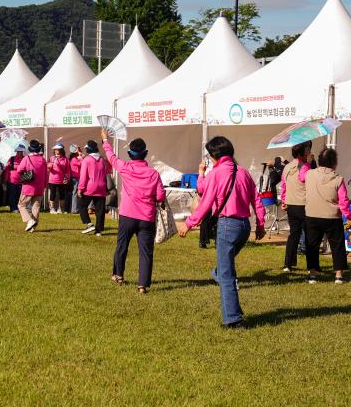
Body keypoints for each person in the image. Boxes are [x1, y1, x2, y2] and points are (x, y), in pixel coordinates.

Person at [180, 136, 266, 327]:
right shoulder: (243, 172)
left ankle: (233, 319)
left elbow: (205, 200)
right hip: (244, 227)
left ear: (213, 156)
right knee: (224, 268)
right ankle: (229, 299)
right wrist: (260, 224)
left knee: (226, 275)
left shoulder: (216, 173)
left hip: (227, 225)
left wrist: (189, 223)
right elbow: (257, 200)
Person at [102, 133, 165, 294]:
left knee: (122, 245)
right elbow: (160, 196)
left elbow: (111, 156)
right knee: (146, 252)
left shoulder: (125, 167)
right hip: (146, 217)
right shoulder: (153, 173)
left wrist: (105, 140)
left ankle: (118, 275)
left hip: (127, 215)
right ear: (145, 153)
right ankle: (142, 285)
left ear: (130, 154)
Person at [303, 148, 351, 284]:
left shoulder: (309, 174)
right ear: (334, 163)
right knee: (337, 246)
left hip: (312, 214)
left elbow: (301, 177)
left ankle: (312, 274)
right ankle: (338, 276)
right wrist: (348, 216)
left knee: (312, 245)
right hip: (332, 216)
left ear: (319, 161)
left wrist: (307, 162)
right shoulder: (338, 178)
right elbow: (344, 201)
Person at [280, 141, 312, 272]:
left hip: (290, 204)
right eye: (308, 149)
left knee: (293, 234)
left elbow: (283, 185)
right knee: (310, 236)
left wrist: (283, 200)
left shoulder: (287, 167)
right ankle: (312, 265)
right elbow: (308, 182)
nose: (309, 151)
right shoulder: (305, 166)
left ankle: (288, 264)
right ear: (303, 152)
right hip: (303, 204)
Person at [12, 140, 48, 232]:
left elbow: (19, 170)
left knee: (21, 205)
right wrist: (44, 185)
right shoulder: (42, 159)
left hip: (29, 185)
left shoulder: (26, 158)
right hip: (39, 186)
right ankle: (33, 227)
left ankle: (29, 220)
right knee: (36, 207)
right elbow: (46, 174)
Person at [77, 140, 108, 236]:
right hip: (102, 186)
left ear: (88, 149)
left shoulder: (87, 159)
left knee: (81, 206)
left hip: (90, 187)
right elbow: (106, 172)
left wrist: (80, 188)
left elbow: (83, 176)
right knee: (100, 210)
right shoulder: (102, 159)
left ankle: (89, 224)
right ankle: (98, 231)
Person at [47, 143, 70, 214]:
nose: (56, 151)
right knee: (52, 194)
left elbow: (67, 170)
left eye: (58, 149)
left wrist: (66, 178)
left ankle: (60, 209)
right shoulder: (51, 158)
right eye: (55, 149)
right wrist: (49, 166)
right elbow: (48, 168)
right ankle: (52, 209)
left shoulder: (65, 159)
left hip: (62, 180)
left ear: (61, 150)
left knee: (62, 194)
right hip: (52, 180)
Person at [4, 144, 26, 212]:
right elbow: (7, 169)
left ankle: (19, 207)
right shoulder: (12, 158)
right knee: (12, 195)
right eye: (18, 151)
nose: (19, 153)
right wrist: (5, 179)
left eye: (21, 151)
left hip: (22, 180)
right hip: (11, 180)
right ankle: (13, 208)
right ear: (16, 151)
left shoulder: (25, 159)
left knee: (20, 195)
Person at [66, 144, 81, 214]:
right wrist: (81, 155)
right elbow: (83, 163)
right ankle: (74, 209)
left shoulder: (73, 159)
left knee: (74, 193)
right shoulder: (74, 160)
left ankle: (74, 208)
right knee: (74, 193)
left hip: (74, 178)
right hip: (75, 178)